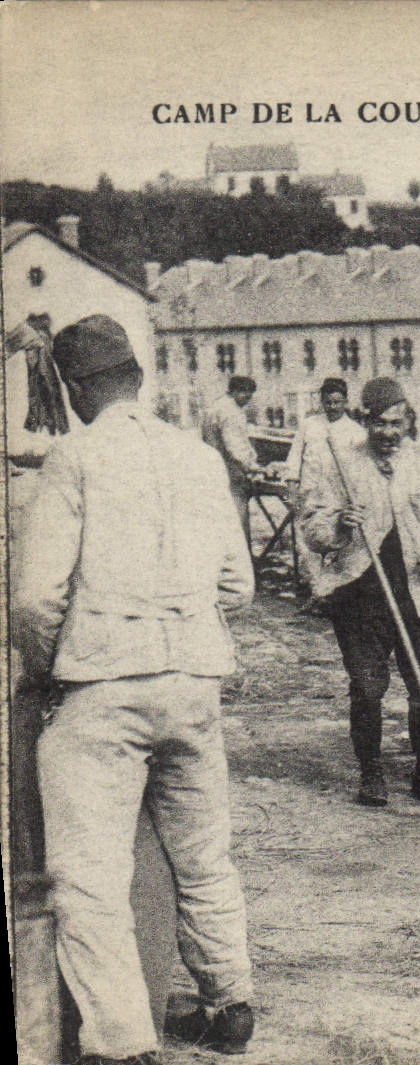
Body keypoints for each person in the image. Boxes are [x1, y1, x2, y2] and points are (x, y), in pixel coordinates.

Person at [12, 315, 257, 1062]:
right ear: (136, 377)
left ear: (80, 388)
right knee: (205, 854)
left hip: (104, 685)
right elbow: (239, 586)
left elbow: (32, 599)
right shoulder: (197, 456)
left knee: (88, 876)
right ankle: (232, 1000)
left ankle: (122, 1041)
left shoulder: (75, 458)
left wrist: (52, 668)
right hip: (193, 681)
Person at [299, 377, 420, 806]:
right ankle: (371, 773)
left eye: (396, 424)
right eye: (379, 425)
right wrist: (338, 525)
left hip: (419, 593)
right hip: (360, 594)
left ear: (408, 421)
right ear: (365, 423)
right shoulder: (336, 463)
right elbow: (312, 525)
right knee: (368, 688)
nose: (388, 433)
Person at [287, 378, 367, 594]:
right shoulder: (310, 425)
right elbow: (295, 457)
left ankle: (335, 590)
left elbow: (360, 471)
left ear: (345, 402)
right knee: (307, 543)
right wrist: (293, 485)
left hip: (337, 497)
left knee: (337, 542)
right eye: (328, 402)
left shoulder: (356, 432)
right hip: (311, 494)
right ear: (322, 401)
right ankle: (315, 590)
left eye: (337, 402)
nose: (332, 407)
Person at [201, 373, 264, 553]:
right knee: (236, 522)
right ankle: (241, 561)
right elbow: (234, 446)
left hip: (216, 470)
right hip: (229, 473)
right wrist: (253, 466)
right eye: (244, 393)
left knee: (221, 521)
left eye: (250, 394)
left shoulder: (219, 406)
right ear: (234, 391)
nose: (247, 398)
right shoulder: (229, 411)